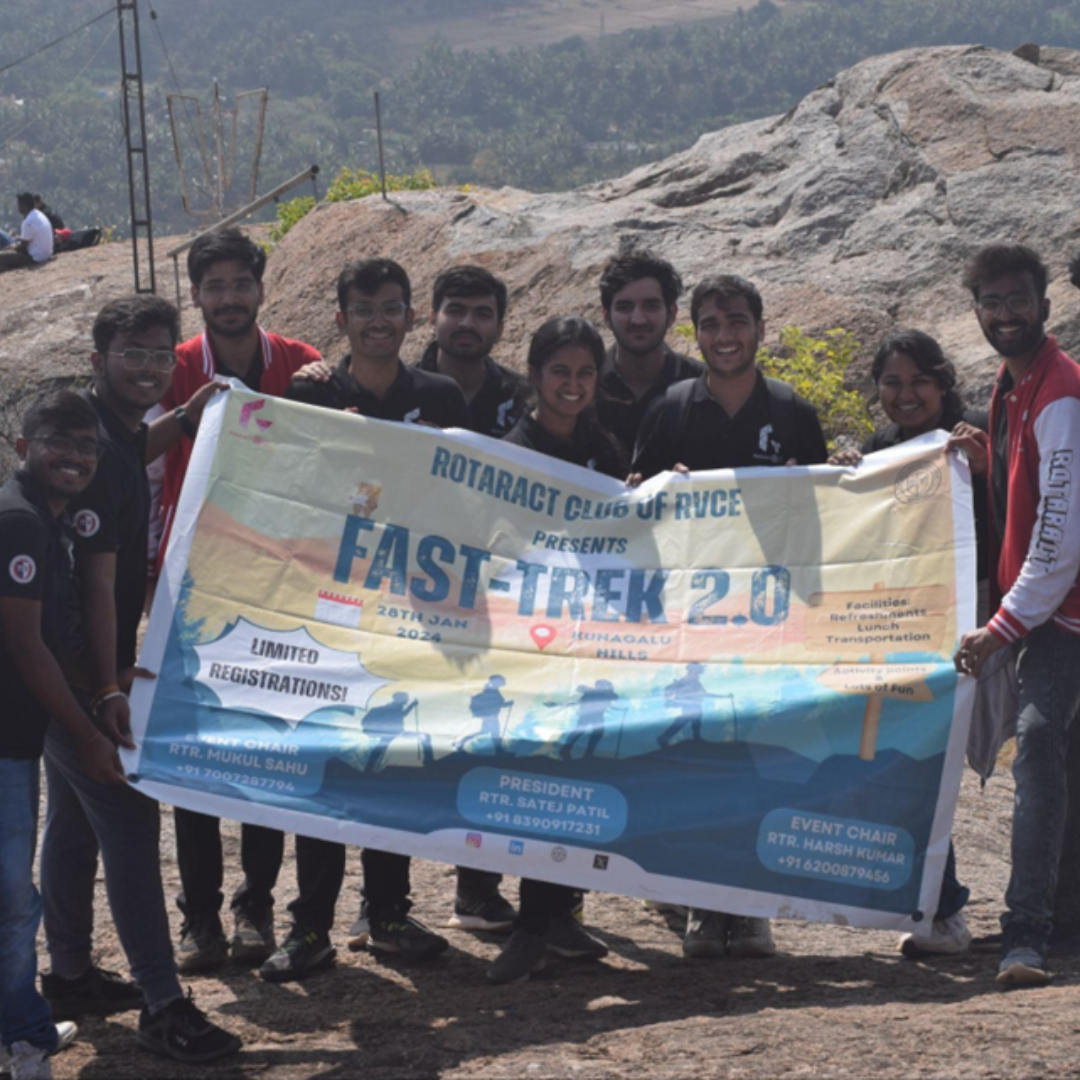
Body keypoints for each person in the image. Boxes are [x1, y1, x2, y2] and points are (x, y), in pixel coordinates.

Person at [32, 299, 241, 1063]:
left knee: (75, 823)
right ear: (98, 359)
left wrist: (184, 418)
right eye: (133, 355)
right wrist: (107, 689)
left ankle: (73, 970)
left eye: (160, 355)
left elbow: (132, 449)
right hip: (77, 671)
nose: (150, 368)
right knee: (126, 821)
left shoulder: (105, 430)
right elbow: (88, 586)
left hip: (69, 668)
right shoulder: (91, 449)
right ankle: (163, 1000)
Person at [147, 226, 331, 977]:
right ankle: (199, 917)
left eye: (240, 285)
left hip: (282, 593)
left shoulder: (304, 365)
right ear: (196, 297)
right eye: (214, 287)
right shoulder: (173, 368)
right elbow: (133, 451)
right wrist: (187, 414)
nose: (229, 298)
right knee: (194, 762)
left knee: (266, 755)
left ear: (261, 289)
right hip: (191, 593)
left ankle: (255, 904)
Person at [276, 257, 467, 977]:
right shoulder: (312, 389)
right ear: (341, 319)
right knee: (324, 769)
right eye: (365, 308)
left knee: (392, 761)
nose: (379, 320)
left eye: (392, 307)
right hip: (329, 607)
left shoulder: (442, 394)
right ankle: (310, 927)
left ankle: (388, 912)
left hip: (410, 613)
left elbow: (467, 498)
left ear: (411, 316)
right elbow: (289, 483)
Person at [631, 273, 827, 962]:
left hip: (769, 623)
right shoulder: (672, 409)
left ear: (760, 327)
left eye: (736, 320)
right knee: (697, 762)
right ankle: (700, 906)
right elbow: (637, 510)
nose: (724, 335)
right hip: (691, 625)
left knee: (757, 763)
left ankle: (752, 909)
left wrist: (853, 477)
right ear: (696, 332)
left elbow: (831, 514)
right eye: (710, 323)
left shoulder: (795, 411)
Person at [829, 328, 987, 959]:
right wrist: (844, 480)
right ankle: (940, 910)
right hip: (911, 631)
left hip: (987, 624)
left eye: (919, 380)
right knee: (916, 761)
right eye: (891, 383)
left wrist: (986, 469)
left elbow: (1016, 512)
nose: (906, 394)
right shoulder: (882, 448)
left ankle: (1049, 910)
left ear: (943, 381)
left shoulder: (972, 435)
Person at [949, 243, 1080, 988]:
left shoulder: (1060, 392)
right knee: (1056, 757)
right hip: (1044, 613)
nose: (1005, 315)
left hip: (1061, 618)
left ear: (1045, 305)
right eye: (992, 303)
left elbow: (1060, 534)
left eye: (1017, 300)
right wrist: (985, 466)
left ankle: (1023, 933)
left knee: (1035, 745)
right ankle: (1057, 919)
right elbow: (1030, 495)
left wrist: (1000, 629)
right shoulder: (1011, 385)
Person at [487, 315, 623, 986]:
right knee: (536, 779)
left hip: (590, 643)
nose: (573, 385)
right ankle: (531, 926)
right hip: (525, 644)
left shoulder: (609, 449)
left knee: (577, 777)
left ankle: (560, 914)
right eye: (560, 372)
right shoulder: (509, 450)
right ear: (536, 375)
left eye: (585, 373)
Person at [0, 392, 122, 1079]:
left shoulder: (48, 525)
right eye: (58, 442)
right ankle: (24, 1041)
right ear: (23, 447)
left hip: (15, 735)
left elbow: (46, 634)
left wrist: (106, 687)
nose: (73, 457)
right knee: (13, 899)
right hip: (5, 740)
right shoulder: (18, 522)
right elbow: (23, 644)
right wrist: (85, 733)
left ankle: (22, 1022)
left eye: (86, 447)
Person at [596, 249, 702, 453]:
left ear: (671, 314)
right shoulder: (582, 389)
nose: (638, 319)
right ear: (606, 316)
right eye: (625, 307)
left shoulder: (704, 387)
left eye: (651, 306)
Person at [0, 193, 53, 273]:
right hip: (45, 254)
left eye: (18, 205)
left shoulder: (28, 221)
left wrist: (11, 248)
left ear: (23, 205)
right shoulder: (38, 214)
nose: (17, 208)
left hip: (35, 258)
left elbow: (23, 247)